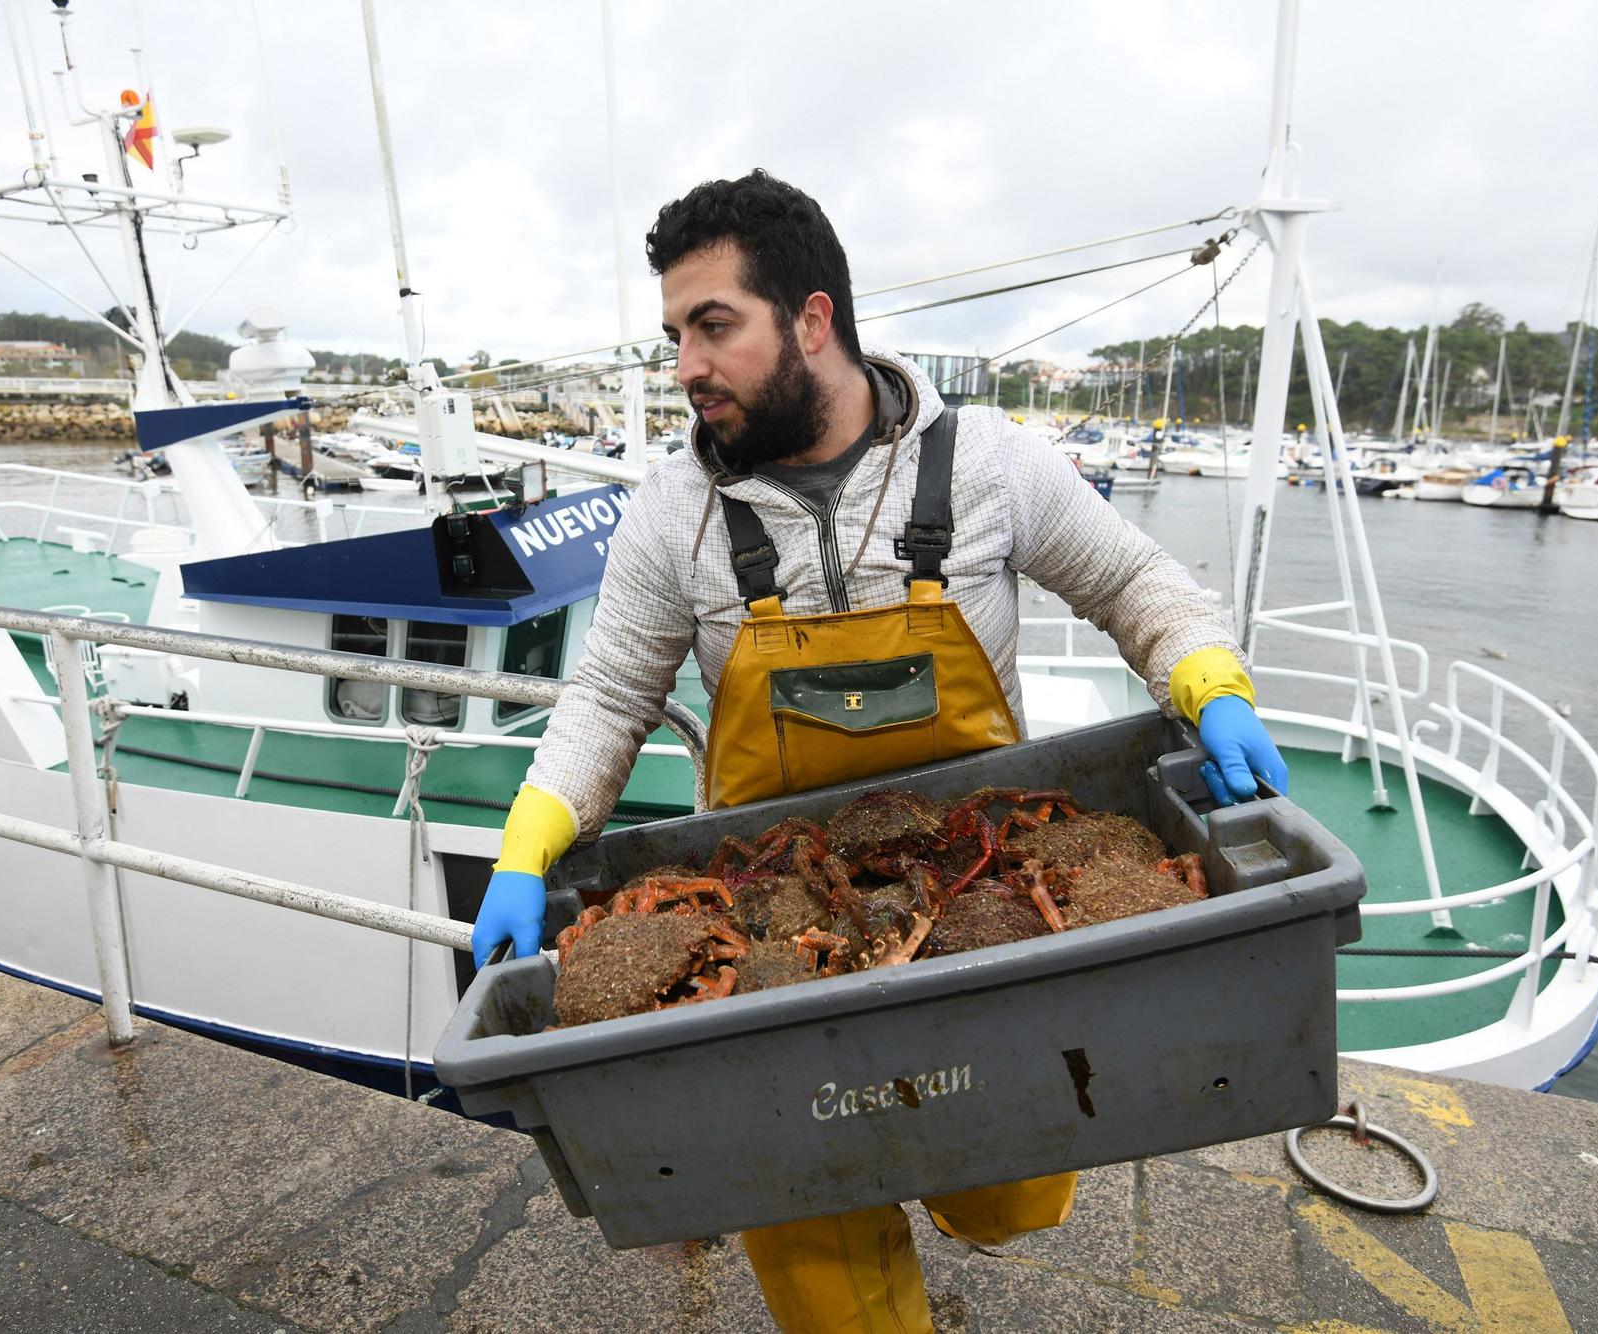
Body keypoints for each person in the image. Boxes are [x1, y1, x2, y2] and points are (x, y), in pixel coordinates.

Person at [471, 169, 1288, 1331]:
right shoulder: (671, 512)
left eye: (714, 327)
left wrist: (1209, 687)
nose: (686, 365)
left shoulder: (988, 464)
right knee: (811, 1232)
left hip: (972, 887)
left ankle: (960, 1189)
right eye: (673, 336)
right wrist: (527, 842)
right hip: (764, 915)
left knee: (1007, 1181)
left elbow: (1134, 583)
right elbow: (607, 694)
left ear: (812, 318)